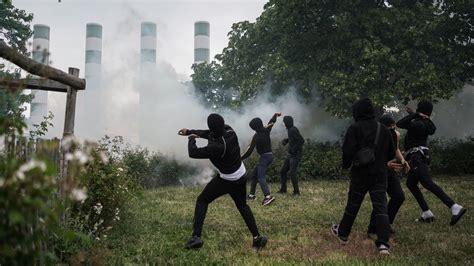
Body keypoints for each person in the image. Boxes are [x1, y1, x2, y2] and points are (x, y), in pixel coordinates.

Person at [178, 113, 267, 250]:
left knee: (202, 200)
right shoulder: (229, 130)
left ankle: (196, 237)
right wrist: (190, 131)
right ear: (223, 123)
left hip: (227, 180)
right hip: (241, 174)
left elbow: (193, 152)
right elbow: (209, 133)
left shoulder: (217, 147)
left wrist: (191, 138)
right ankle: (257, 238)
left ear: (212, 127)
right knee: (242, 206)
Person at [331, 98, 395, 255]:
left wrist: (346, 165)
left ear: (357, 111)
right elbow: (391, 153)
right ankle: (383, 244)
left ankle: (343, 234)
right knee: (381, 207)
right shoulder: (383, 129)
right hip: (380, 174)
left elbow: (347, 152)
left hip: (360, 174)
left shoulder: (355, 128)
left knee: (353, 204)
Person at [396, 100, 466, 225]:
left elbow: (399, 123)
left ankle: (454, 207)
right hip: (421, 155)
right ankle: (427, 213)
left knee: (427, 183)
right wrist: (421, 116)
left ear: (420, 110)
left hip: (417, 156)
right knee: (411, 183)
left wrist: (414, 115)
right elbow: (433, 129)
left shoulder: (417, 123)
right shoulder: (426, 123)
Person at [367, 114, 409, 240]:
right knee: (381, 201)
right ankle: (372, 229)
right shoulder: (375, 136)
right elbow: (370, 156)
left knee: (399, 196)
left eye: (393, 126)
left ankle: (386, 224)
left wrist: (402, 160)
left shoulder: (395, 134)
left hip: (389, 171)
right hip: (377, 171)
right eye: (389, 127)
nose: (392, 129)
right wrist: (386, 164)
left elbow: (396, 149)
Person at [241, 112, 281, 206]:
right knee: (255, 175)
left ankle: (268, 197)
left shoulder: (256, 136)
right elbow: (272, 122)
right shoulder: (266, 129)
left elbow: (249, 151)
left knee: (261, 177)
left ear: (253, 128)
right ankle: (251, 195)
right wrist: (275, 115)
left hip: (265, 157)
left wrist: (240, 158)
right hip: (268, 156)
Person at [277, 116, 305, 195]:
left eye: (284, 122)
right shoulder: (290, 130)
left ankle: (296, 192)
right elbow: (294, 139)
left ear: (287, 122)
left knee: (292, 173)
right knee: (283, 171)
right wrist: (286, 140)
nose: (284, 124)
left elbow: (301, 140)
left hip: (296, 154)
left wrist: (294, 149)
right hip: (291, 155)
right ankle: (283, 189)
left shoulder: (292, 130)